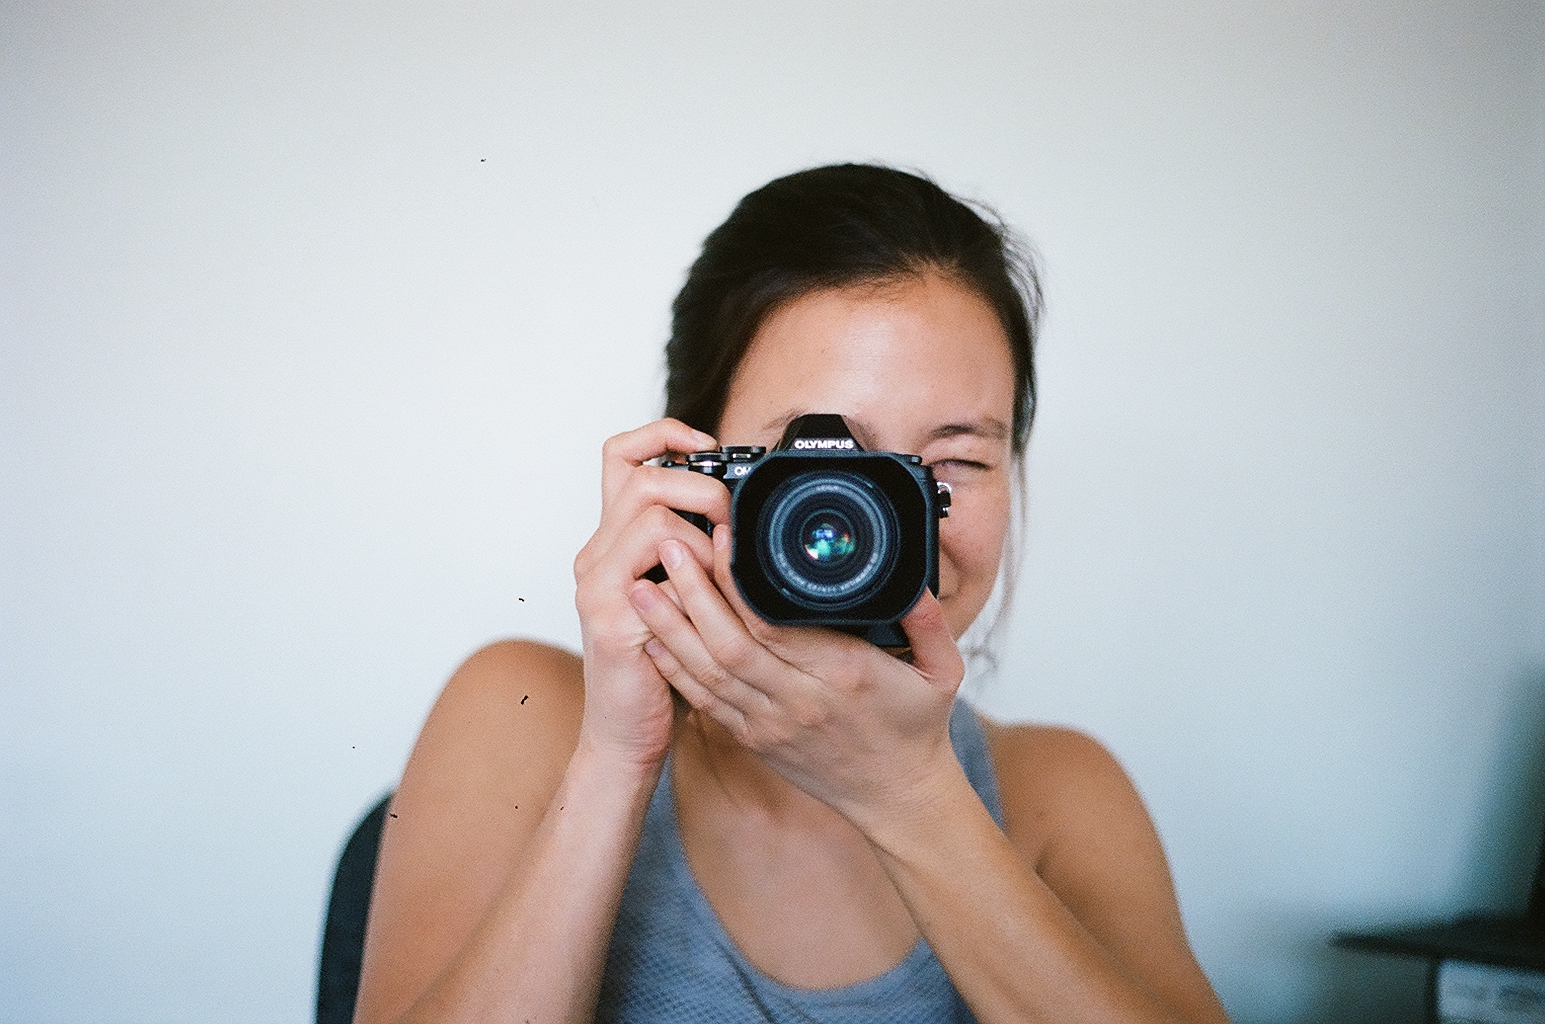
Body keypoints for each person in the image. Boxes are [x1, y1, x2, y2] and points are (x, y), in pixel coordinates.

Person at [353, 164, 1231, 1024]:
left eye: (955, 461)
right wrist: (616, 760)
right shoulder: (524, 715)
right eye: (814, 459)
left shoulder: (1060, 795)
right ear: (688, 469)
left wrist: (910, 795)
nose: (876, 516)